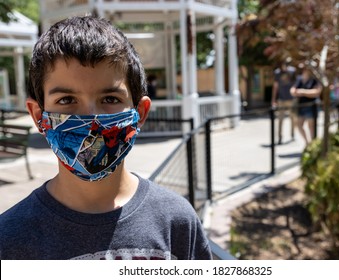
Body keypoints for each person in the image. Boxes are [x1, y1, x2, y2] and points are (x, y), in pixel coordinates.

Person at [0, 16, 212, 260]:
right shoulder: (9, 239)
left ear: (140, 113)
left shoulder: (177, 221)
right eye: (66, 100)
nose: (91, 119)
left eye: (110, 99)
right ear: (39, 116)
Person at [290, 67, 322, 146]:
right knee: (299, 125)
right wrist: (295, 92)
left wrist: (303, 92)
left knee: (311, 126)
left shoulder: (315, 80)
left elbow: (317, 92)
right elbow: (293, 89)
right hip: (300, 105)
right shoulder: (299, 79)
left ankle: (313, 144)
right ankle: (307, 143)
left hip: (311, 105)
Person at [271, 62, 296, 144]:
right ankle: (280, 137)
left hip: (291, 99)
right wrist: (273, 100)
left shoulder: (292, 71)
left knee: (293, 118)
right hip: (281, 99)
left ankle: (292, 135)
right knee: (280, 119)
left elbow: (295, 84)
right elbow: (275, 87)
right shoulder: (277, 73)